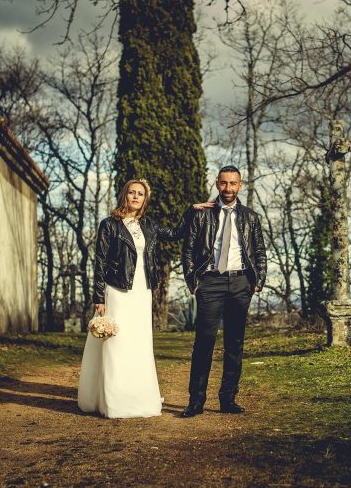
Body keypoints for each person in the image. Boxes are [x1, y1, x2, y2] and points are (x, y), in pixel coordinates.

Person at [77, 179, 211, 418]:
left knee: (138, 343)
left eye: (140, 194)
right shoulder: (109, 225)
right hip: (117, 289)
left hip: (142, 291)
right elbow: (100, 262)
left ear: (145, 199)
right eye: (132, 192)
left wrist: (190, 211)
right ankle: (114, 400)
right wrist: (99, 295)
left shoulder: (148, 225)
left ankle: (137, 396)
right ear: (124, 195)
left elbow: (175, 233)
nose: (136, 197)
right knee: (116, 343)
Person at [180, 165, 267, 418]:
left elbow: (259, 252)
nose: (228, 188)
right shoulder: (202, 215)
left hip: (240, 284)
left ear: (240, 185)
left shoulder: (251, 217)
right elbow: (187, 251)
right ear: (217, 184)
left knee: (234, 344)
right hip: (210, 283)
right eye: (224, 183)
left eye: (233, 184)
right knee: (204, 343)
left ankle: (228, 399)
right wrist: (192, 280)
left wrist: (258, 280)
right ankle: (195, 401)